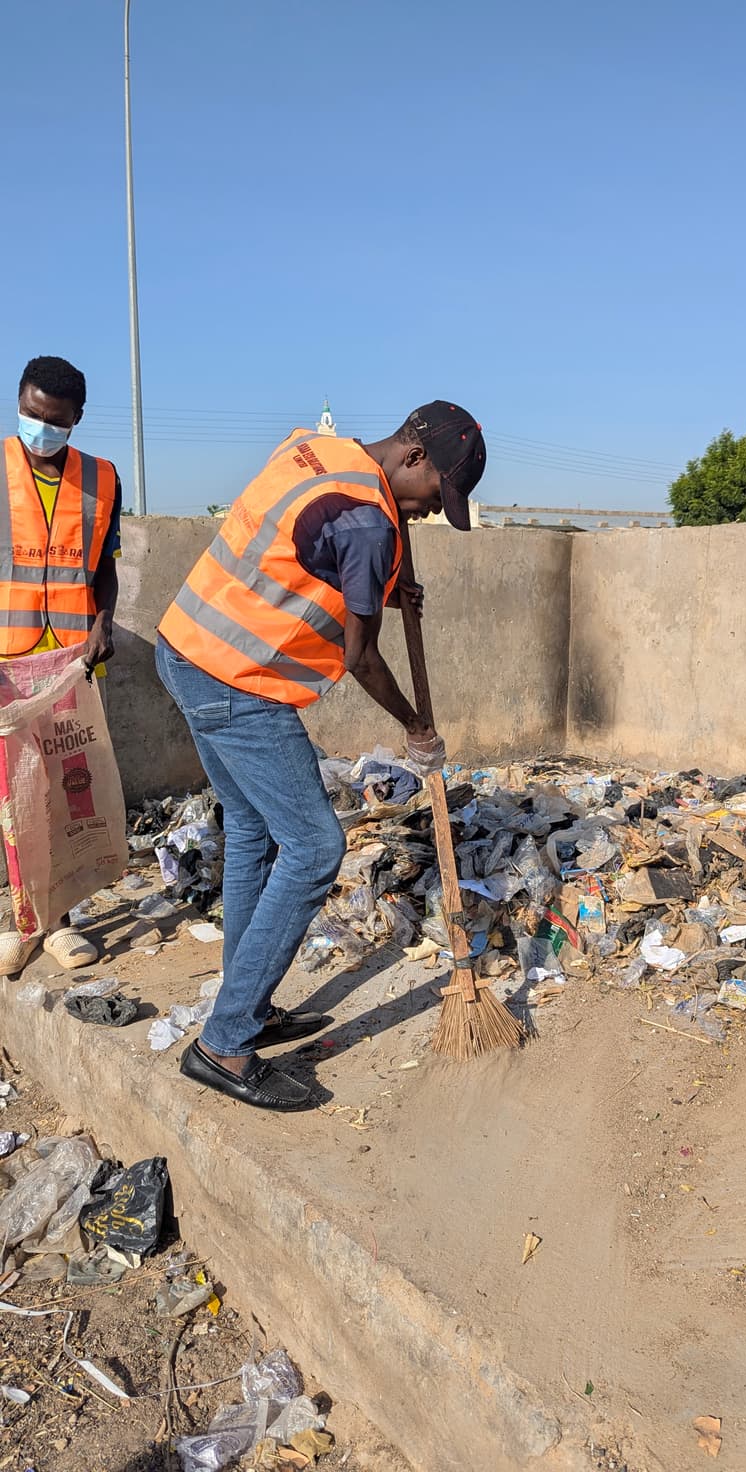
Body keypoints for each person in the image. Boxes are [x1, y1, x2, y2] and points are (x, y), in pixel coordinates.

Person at [156, 400, 486, 1111]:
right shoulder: (371, 522)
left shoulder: (318, 448)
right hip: (238, 680)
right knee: (313, 847)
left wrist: (384, 579)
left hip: (188, 647)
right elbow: (360, 656)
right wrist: (415, 726)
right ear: (415, 459)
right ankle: (224, 1045)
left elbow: (308, 544)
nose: (432, 512)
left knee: (251, 831)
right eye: (435, 497)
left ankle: (249, 1003)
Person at [0, 356, 122, 975]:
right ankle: (23, 923)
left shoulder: (102, 478)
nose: (38, 427)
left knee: (72, 796)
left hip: (72, 666)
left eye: (52, 420)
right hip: (7, 667)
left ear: (75, 419)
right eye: (28, 413)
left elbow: (104, 569)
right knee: (15, 798)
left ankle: (64, 918)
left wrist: (104, 622)